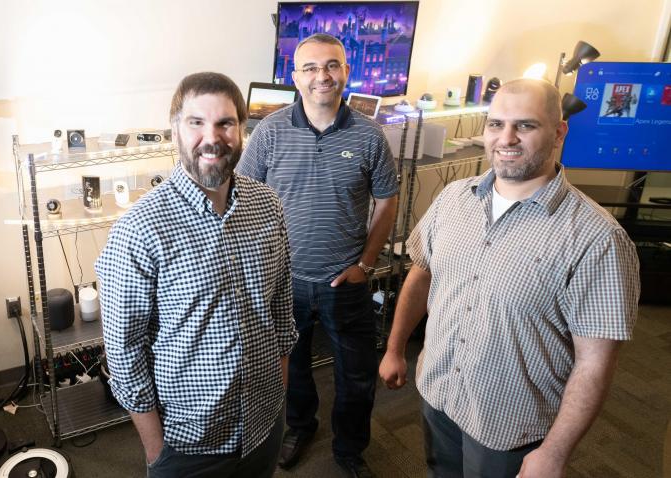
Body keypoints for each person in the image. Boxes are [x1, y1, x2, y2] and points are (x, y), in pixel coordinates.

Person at [379, 78, 640, 478]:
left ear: (558, 133)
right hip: (440, 392)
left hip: (509, 425)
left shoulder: (597, 238)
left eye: (526, 125)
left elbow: (596, 360)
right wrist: (395, 347)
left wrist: (555, 453)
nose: (507, 138)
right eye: (496, 124)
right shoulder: (454, 198)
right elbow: (422, 273)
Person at [95, 72, 298, 478]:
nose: (213, 137)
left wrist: (278, 398)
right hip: (188, 446)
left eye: (225, 123)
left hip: (264, 424)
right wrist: (157, 451)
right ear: (175, 131)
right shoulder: (139, 229)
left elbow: (280, 311)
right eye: (196, 123)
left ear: (242, 130)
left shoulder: (267, 205)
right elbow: (123, 352)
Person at [238, 33, 398, 477]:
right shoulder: (269, 132)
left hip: (343, 283)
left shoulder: (370, 136)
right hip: (282, 279)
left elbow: (386, 202)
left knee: (356, 375)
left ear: (346, 71)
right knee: (291, 368)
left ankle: (349, 450)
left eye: (331, 65)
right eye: (309, 68)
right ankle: (300, 427)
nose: (321, 76)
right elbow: (244, 197)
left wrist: (364, 265)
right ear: (294, 77)